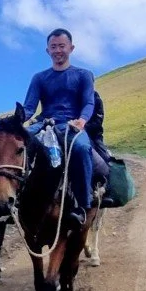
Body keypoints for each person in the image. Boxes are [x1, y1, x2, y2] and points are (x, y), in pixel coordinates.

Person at [20, 28, 95, 224]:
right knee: (18, 145)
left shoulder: (84, 75)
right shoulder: (39, 78)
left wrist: (82, 120)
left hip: (72, 124)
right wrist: (16, 120)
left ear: (71, 48)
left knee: (81, 148)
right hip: (45, 124)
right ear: (47, 51)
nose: (57, 50)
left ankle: (83, 205)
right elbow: (29, 108)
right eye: (53, 47)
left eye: (62, 46)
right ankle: (16, 199)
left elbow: (88, 102)